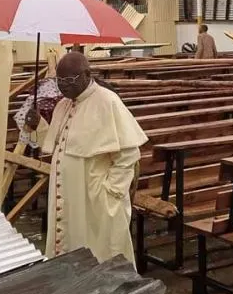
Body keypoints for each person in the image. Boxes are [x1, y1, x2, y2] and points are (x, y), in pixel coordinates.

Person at [25, 52, 148, 265]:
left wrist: (111, 191)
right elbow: (60, 143)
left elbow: (128, 154)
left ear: (87, 74)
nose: (64, 87)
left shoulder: (107, 101)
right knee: (70, 248)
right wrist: (39, 126)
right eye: (59, 81)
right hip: (68, 194)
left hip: (94, 197)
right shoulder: (63, 104)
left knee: (99, 252)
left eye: (70, 80)